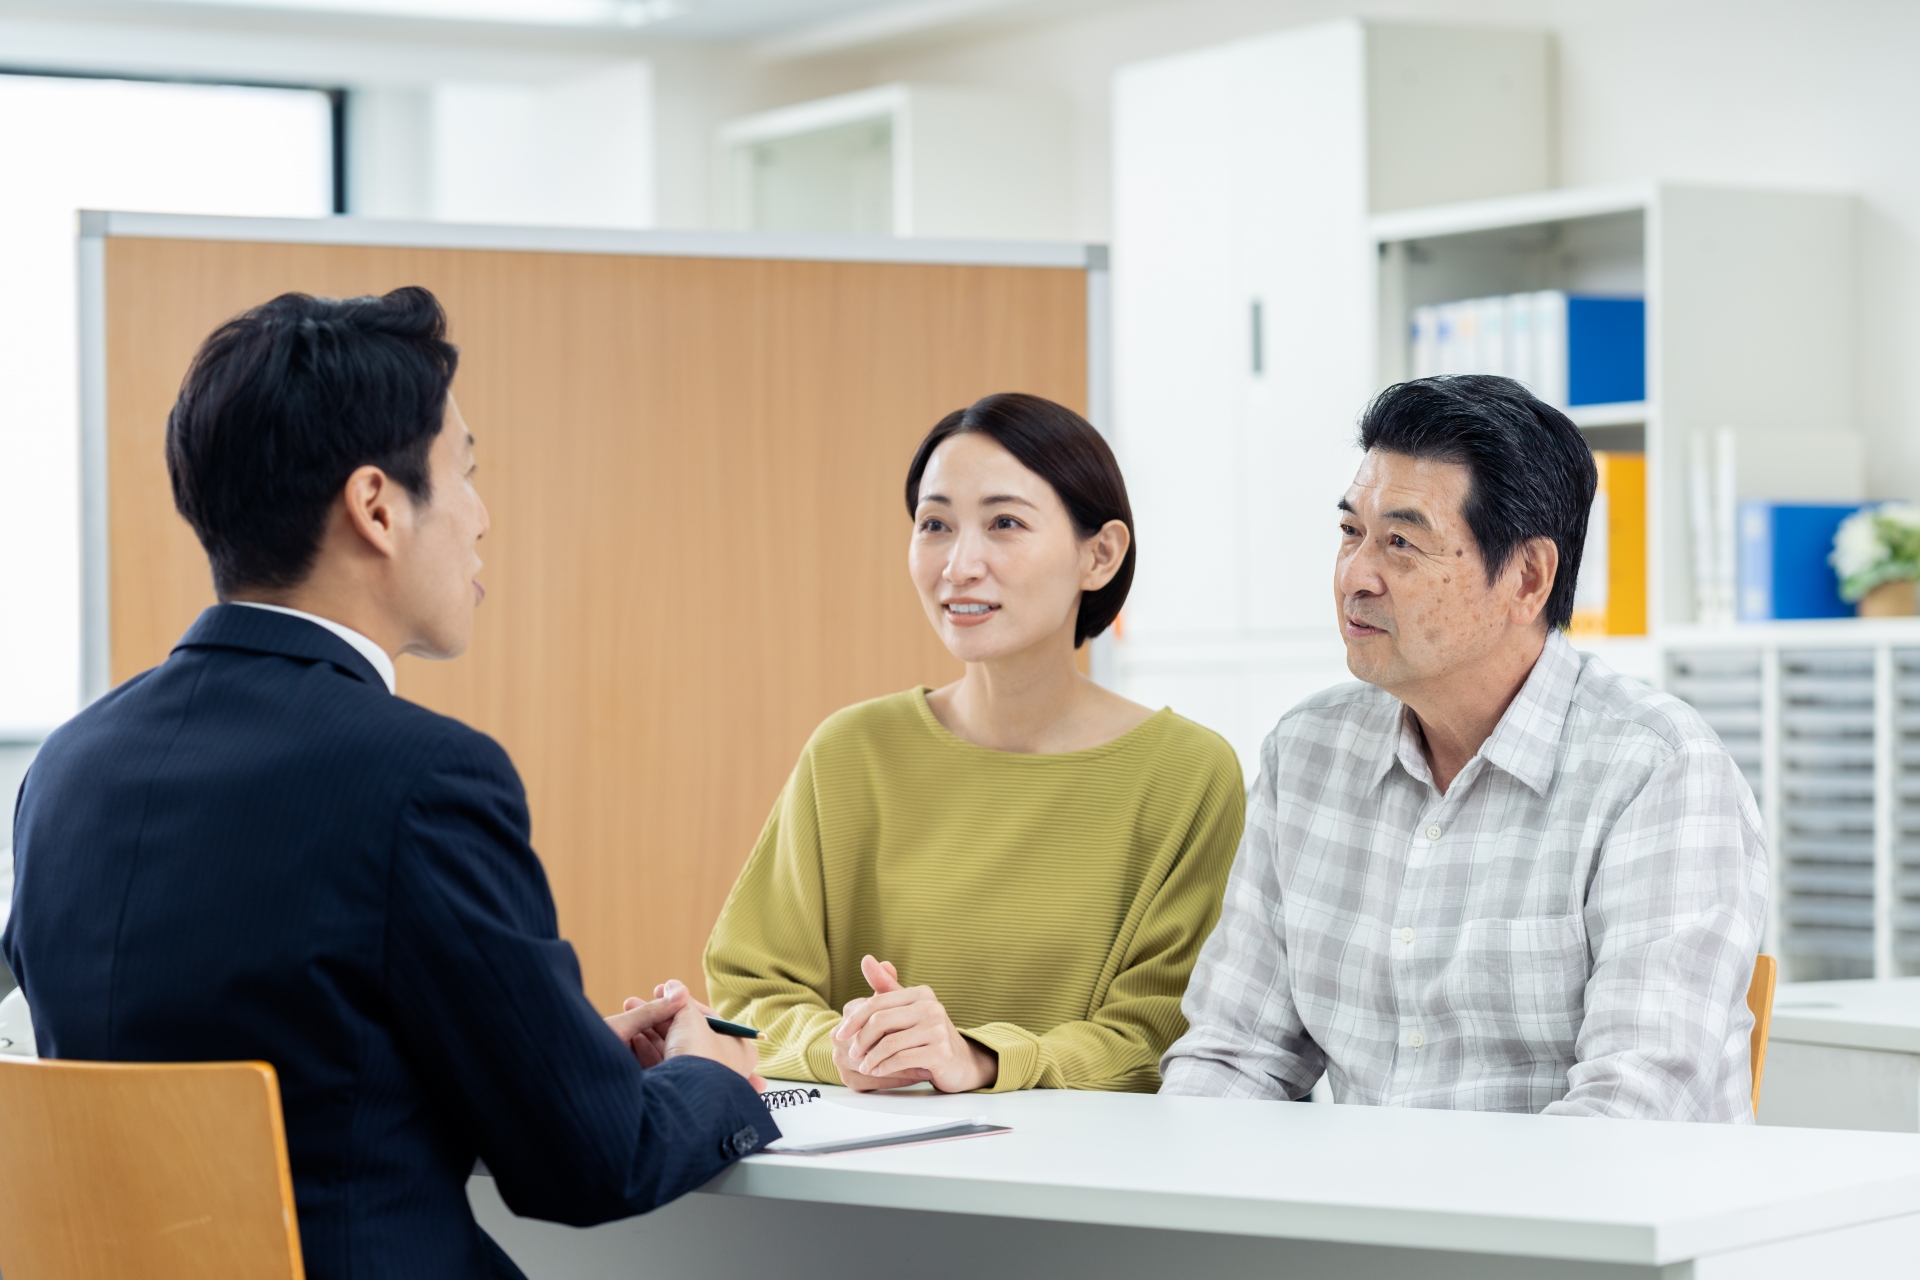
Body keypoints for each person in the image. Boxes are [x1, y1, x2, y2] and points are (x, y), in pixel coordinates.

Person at [3, 288, 775, 1280]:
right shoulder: (421, 775)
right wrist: (715, 1079)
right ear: (377, 505)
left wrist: (564, 1050)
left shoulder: (68, 767)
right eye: (465, 471)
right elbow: (590, 1164)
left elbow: (294, 1054)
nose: (482, 517)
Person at [1161, 375, 1768, 1121]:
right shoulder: (1307, 754)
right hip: (1358, 1226)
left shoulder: (1656, 772)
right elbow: (1234, 1055)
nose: (1355, 576)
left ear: (1527, 577)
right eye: (1351, 532)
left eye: (1402, 544)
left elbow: (1630, 1110)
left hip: (1571, 1227)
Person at [704, 392, 1244, 1094]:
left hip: (1085, 1184)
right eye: (935, 524)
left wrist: (982, 1059)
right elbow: (749, 990)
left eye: (1005, 523)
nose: (959, 564)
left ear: (1100, 554)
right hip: (857, 1174)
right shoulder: (852, 752)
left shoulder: (1187, 774)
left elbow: (1162, 1031)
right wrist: (845, 1045)